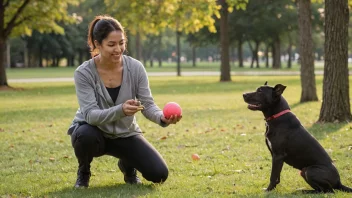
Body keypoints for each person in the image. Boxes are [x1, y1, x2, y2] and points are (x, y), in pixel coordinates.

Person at [67, 15, 182, 188]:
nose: (118, 49)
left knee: (159, 174)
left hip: (125, 133)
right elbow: (90, 115)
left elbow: (148, 104)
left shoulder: (135, 68)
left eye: (121, 43)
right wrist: (120, 110)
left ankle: (128, 167)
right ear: (97, 44)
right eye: (111, 45)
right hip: (94, 133)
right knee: (84, 135)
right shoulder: (84, 73)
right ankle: (84, 172)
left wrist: (161, 118)